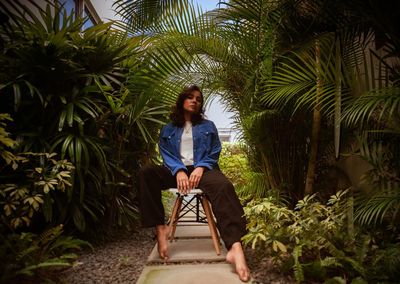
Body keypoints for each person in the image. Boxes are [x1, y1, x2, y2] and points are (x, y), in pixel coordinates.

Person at [138, 85, 250, 282]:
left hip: (203, 169)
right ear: (182, 100)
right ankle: (160, 228)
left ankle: (235, 247)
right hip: (175, 170)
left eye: (198, 99)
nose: (194, 101)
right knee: (147, 173)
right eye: (190, 97)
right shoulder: (168, 128)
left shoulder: (209, 126)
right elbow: (166, 152)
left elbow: (215, 149)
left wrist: (201, 167)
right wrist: (179, 169)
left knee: (223, 186)